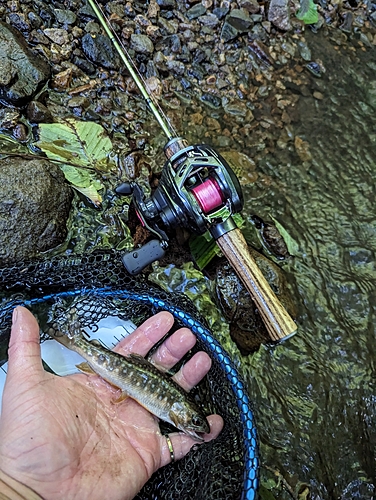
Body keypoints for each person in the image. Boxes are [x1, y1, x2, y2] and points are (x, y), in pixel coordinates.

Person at [0, 307, 223, 500]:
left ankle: (71, 338)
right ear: (182, 409)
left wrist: (16, 487)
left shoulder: (172, 408)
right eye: (194, 420)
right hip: (109, 367)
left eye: (194, 421)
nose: (195, 425)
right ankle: (73, 340)